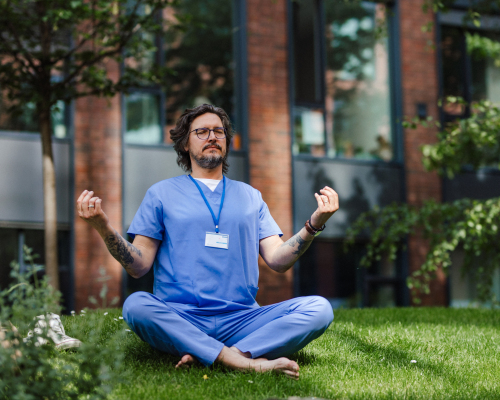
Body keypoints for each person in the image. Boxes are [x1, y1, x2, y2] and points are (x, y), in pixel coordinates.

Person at [77, 104, 339, 379]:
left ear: (226, 141)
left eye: (219, 131)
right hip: (181, 317)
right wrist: (102, 226)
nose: (212, 136)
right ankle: (240, 359)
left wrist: (315, 223)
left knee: (319, 309)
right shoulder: (161, 194)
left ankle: (224, 353)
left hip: (242, 318)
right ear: (186, 144)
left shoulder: (251, 196)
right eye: (201, 131)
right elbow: (138, 265)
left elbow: (278, 259)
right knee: (136, 305)